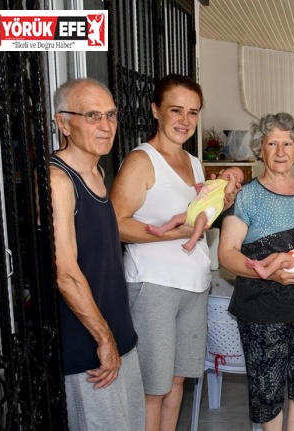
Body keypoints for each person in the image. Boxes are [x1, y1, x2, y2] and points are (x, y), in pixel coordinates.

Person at [110, 74, 238, 431]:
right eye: (176, 110)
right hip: (154, 286)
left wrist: (220, 204)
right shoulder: (141, 160)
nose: (185, 121)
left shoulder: (194, 162)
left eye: (193, 113)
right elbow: (116, 224)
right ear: (155, 110)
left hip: (194, 286)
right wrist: (177, 233)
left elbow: (200, 219)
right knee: (154, 389)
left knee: (177, 381)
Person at [218, 112, 294, 431]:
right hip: (263, 308)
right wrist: (270, 274)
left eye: (287, 142)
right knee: (266, 384)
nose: (281, 151)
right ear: (260, 149)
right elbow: (227, 254)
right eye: (272, 143)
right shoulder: (246, 196)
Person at [49, 78, 144, 430]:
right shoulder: (58, 181)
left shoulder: (98, 170)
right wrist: (103, 339)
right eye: (92, 116)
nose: (106, 126)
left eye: (111, 115)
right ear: (63, 123)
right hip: (88, 343)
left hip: (116, 331)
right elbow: (65, 272)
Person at [145, 166, 244, 251]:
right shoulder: (211, 182)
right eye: (232, 171)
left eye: (237, 178)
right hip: (196, 208)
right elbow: (204, 192)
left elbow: (228, 191)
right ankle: (161, 229)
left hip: (209, 210)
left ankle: (192, 241)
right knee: (177, 218)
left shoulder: (226, 185)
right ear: (221, 171)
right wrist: (199, 188)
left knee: (200, 220)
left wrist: (232, 181)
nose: (234, 175)